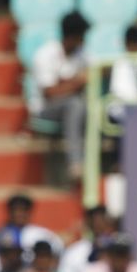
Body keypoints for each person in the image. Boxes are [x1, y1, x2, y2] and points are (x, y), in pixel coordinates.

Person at [30, 13, 89, 182]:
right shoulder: (46, 54)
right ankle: (76, 164)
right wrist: (77, 83)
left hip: (74, 106)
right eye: (81, 37)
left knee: (84, 106)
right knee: (75, 104)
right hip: (45, 109)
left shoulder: (83, 54)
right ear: (72, 37)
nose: (83, 41)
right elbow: (49, 93)